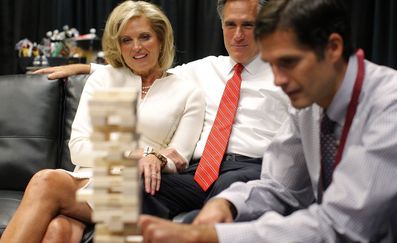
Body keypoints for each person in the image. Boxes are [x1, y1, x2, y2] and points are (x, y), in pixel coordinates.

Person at [138, 0, 397, 242]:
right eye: (272, 64)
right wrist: (227, 204)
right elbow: (281, 187)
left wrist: (212, 236)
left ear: (333, 48)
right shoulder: (309, 103)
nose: (278, 80)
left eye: (288, 63)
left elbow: (344, 226)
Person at [35, 0, 291, 221]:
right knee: (141, 188)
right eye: (230, 24)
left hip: (250, 167)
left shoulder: (286, 75)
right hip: (201, 171)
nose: (238, 35)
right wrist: (85, 68)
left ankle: (202, 221)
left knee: (226, 191)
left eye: (248, 25)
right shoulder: (205, 68)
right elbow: (145, 67)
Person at [0, 1, 205, 243]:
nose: (136, 47)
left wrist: (155, 158)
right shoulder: (104, 79)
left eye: (145, 37)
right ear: (118, 45)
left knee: (45, 181)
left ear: (161, 39)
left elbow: (178, 157)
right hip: (87, 178)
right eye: (126, 40)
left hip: (135, 187)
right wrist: (135, 153)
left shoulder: (188, 91)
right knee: (58, 231)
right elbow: (78, 149)